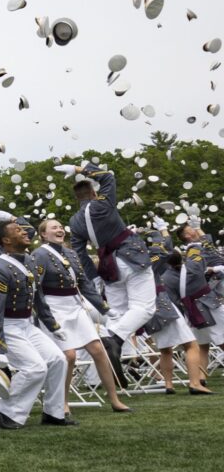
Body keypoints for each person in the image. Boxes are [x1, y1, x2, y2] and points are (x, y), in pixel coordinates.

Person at [59, 161, 157, 385]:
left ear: (78, 199)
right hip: (130, 258)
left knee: (118, 314)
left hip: (107, 267)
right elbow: (108, 177)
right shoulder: (102, 204)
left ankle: (109, 360)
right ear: (94, 193)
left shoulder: (74, 222)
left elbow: (80, 253)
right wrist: (79, 169)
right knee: (144, 307)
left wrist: (94, 279)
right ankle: (113, 340)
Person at [0, 221, 74, 429]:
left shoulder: (29, 261)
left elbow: (38, 297)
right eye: (18, 230)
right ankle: (5, 413)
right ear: (6, 240)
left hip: (27, 324)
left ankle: (54, 412)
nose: (25, 232)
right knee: (35, 368)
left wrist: (52, 325)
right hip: (7, 326)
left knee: (58, 360)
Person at [32, 219, 130, 414]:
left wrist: (103, 307)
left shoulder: (70, 253)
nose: (59, 230)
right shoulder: (39, 254)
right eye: (54, 227)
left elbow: (84, 283)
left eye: (60, 227)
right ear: (43, 234)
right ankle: (63, 402)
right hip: (54, 307)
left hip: (75, 306)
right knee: (69, 356)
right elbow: (37, 289)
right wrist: (46, 317)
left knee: (98, 349)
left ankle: (114, 399)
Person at [140, 229, 213, 395]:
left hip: (147, 308)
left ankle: (168, 384)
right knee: (192, 345)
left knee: (165, 349)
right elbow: (164, 250)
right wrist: (161, 233)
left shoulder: (132, 262)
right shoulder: (149, 261)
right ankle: (195, 383)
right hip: (163, 305)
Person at [169, 224, 224, 387]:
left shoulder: (194, 249)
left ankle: (201, 377)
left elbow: (209, 247)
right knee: (220, 339)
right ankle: (199, 377)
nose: (195, 231)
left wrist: (198, 227)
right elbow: (198, 267)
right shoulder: (194, 249)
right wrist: (210, 270)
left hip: (196, 305)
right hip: (205, 303)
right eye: (191, 229)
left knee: (202, 346)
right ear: (187, 236)